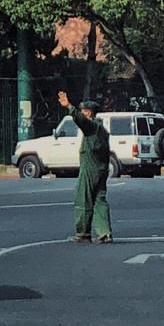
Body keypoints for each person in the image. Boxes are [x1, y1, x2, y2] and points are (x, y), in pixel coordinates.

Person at [58, 92, 113, 244]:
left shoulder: (91, 127)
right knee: (99, 200)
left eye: (83, 110)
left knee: (83, 199)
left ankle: (82, 233)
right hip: (102, 169)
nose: (82, 112)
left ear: (88, 112)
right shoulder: (102, 129)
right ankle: (104, 232)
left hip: (90, 168)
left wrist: (69, 106)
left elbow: (80, 120)